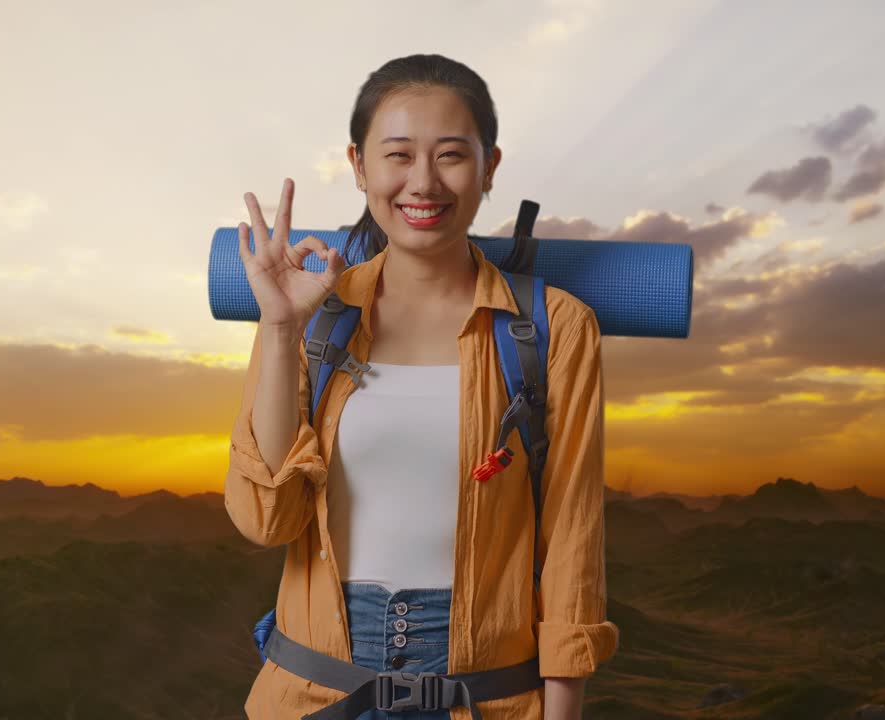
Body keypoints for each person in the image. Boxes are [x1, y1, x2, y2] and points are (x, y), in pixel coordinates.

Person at [225, 53, 618, 720]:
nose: (423, 183)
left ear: (490, 167)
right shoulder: (308, 314)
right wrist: (282, 327)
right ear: (359, 166)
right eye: (398, 154)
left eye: (452, 156)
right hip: (313, 692)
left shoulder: (556, 329)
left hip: (489, 697)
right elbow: (268, 520)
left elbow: (572, 541)